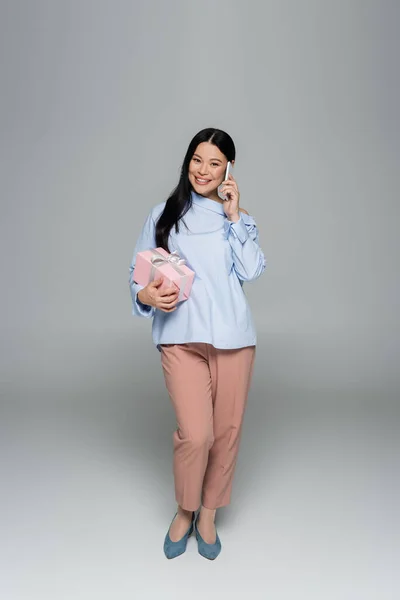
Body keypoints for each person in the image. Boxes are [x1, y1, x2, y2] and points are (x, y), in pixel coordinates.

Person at [129, 127, 266, 560]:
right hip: (179, 339)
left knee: (226, 433)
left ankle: (208, 512)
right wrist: (146, 295)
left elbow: (253, 269)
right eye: (197, 159)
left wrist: (234, 215)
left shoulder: (236, 219)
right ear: (187, 161)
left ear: (229, 169)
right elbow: (137, 279)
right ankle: (185, 509)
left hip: (233, 341)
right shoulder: (162, 215)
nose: (203, 170)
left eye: (214, 162)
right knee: (196, 434)